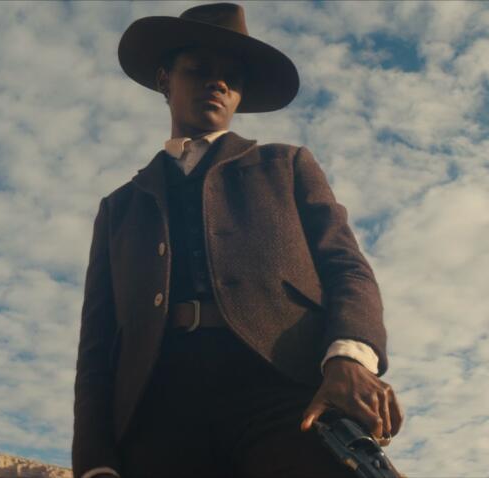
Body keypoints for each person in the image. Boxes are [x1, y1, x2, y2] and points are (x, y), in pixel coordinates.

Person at [72, 3, 403, 477]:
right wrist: (94, 463)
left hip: (283, 393)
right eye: (199, 70)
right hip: (156, 410)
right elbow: (96, 349)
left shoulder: (287, 166)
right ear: (165, 80)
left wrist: (349, 357)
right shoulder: (119, 208)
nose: (217, 83)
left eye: (230, 76)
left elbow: (346, 268)